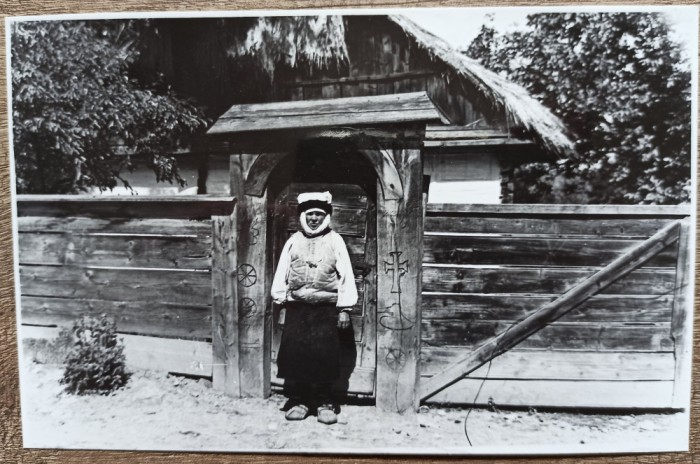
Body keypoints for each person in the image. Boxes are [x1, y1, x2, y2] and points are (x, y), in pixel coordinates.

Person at [271, 191, 358, 425]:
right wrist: (281, 303)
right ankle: (299, 400)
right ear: (302, 216)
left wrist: (344, 309)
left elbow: (346, 276)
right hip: (297, 307)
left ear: (326, 217)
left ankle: (324, 402)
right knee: (296, 354)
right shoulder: (293, 241)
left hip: (325, 310)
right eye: (310, 214)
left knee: (324, 355)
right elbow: (282, 272)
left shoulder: (335, 240)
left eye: (319, 214)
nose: (314, 219)